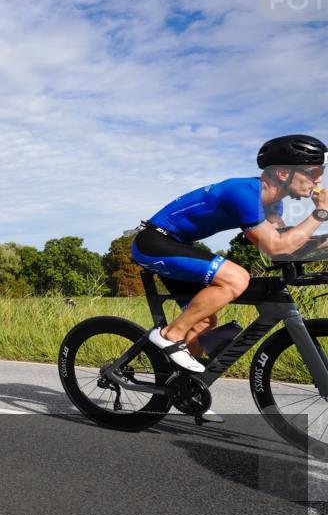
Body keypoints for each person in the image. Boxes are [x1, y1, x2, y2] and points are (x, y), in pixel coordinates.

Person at [132, 134, 328, 375]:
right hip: (154, 242)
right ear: (282, 173)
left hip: (178, 245)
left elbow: (289, 245)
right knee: (237, 278)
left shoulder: (273, 204)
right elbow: (276, 248)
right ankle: (169, 335)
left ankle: (185, 386)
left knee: (203, 322)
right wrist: (321, 212)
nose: (319, 179)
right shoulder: (243, 192)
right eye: (314, 172)